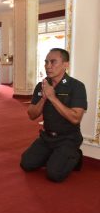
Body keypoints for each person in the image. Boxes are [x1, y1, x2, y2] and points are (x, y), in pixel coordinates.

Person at [20, 48, 87, 182]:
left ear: (65, 65)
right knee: (26, 164)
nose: (48, 66)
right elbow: (32, 115)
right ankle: (55, 155)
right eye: (46, 62)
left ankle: (75, 156)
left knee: (54, 174)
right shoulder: (42, 85)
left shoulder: (76, 86)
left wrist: (52, 98)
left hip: (68, 138)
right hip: (46, 137)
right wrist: (44, 98)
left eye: (53, 62)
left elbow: (75, 118)